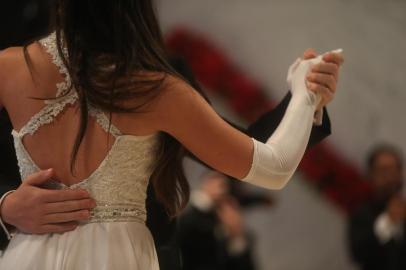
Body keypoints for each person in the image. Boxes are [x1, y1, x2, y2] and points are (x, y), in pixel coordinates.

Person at [0, 0, 343, 269]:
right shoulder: (157, 89)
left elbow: (236, 142)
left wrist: (307, 106)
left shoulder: (9, 67)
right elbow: (270, 162)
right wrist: (5, 206)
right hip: (121, 256)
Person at [177, 171, 256, 270]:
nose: (221, 191)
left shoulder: (238, 235)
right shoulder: (195, 219)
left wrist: (236, 234)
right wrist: (205, 200)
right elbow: (184, 233)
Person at [348, 145, 406, 270]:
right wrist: (388, 221)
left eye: (393, 169)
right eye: (383, 170)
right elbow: (358, 253)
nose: (389, 177)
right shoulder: (362, 214)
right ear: (371, 174)